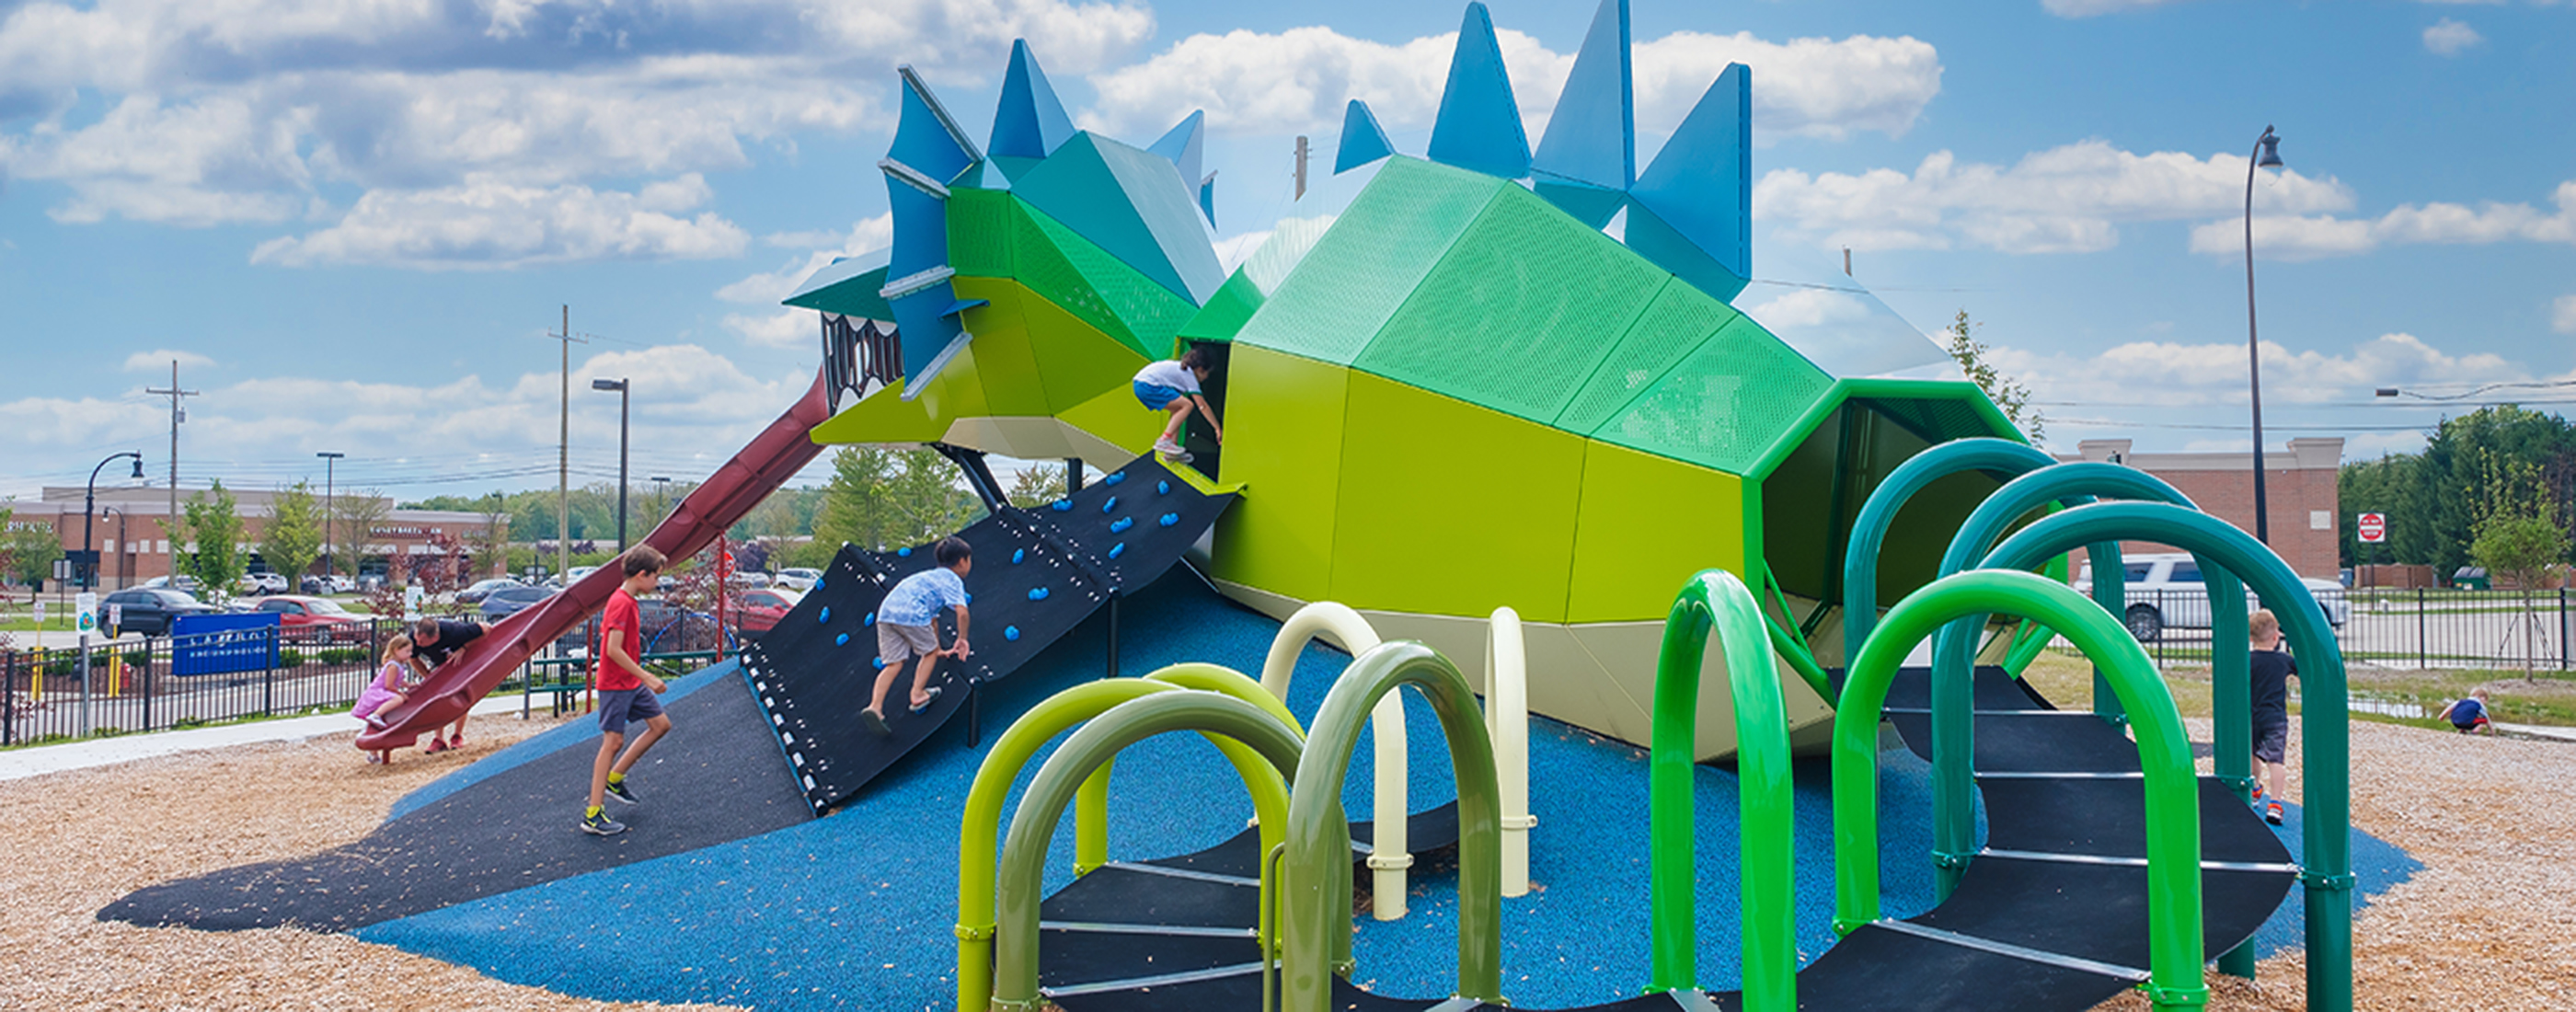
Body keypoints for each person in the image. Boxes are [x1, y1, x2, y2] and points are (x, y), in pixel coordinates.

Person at [582, 546, 674, 837]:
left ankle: (615, 778)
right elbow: (612, 649)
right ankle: (593, 814)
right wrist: (647, 676)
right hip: (616, 684)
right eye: (656, 576)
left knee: (660, 725)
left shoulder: (630, 600)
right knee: (612, 742)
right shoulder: (621, 603)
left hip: (630, 683)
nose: (657, 582)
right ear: (640, 575)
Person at [859, 536, 972, 736]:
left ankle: (875, 707)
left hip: (886, 613)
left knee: (894, 663)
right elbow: (962, 613)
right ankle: (917, 694)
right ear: (963, 561)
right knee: (927, 654)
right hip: (911, 612)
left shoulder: (928, 577)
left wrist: (938, 650)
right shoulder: (952, 579)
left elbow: (932, 621)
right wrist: (962, 638)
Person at [409, 615, 490, 753]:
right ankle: (438, 739)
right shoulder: (413, 638)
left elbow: (486, 628)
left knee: (460, 698)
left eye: (422, 641)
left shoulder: (455, 631)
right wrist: (428, 676)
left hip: (462, 664)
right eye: (417, 639)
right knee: (436, 700)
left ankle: (457, 736)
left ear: (434, 638)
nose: (418, 644)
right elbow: (414, 659)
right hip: (441, 665)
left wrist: (464, 648)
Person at [2248, 608, 2298, 826]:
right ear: (2276, 637)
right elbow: (2303, 669)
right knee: (2275, 760)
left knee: (2252, 753)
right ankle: (2275, 804)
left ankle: (2255, 787)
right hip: (2275, 716)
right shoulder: (2283, 660)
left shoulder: (2247, 660)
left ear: (2251, 638)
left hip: (2250, 714)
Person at [1132, 346, 1222, 463]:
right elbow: (1202, 406)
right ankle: (1164, 440)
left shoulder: (1180, 370)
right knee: (1188, 405)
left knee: (1178, 410)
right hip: (1147, 385)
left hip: (1140, 384)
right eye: (1207, 373)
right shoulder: (1188, 374)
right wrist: (1217, 428)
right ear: (1200, 369)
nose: (1207, 377)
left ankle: (1171, 451)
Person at [353, 635, 419, 765]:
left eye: (410, 651)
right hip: (378, 692)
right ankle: (375, 715)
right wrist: (401, 694)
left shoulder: (399, 664)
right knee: (398, 700)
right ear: (396, 650)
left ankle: (373, 754)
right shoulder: (393, 665)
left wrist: (408, 685)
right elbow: (389, 685)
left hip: (383, 692)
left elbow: (397, 681)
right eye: (407, 651)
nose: (410, 654)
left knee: (379, 724)